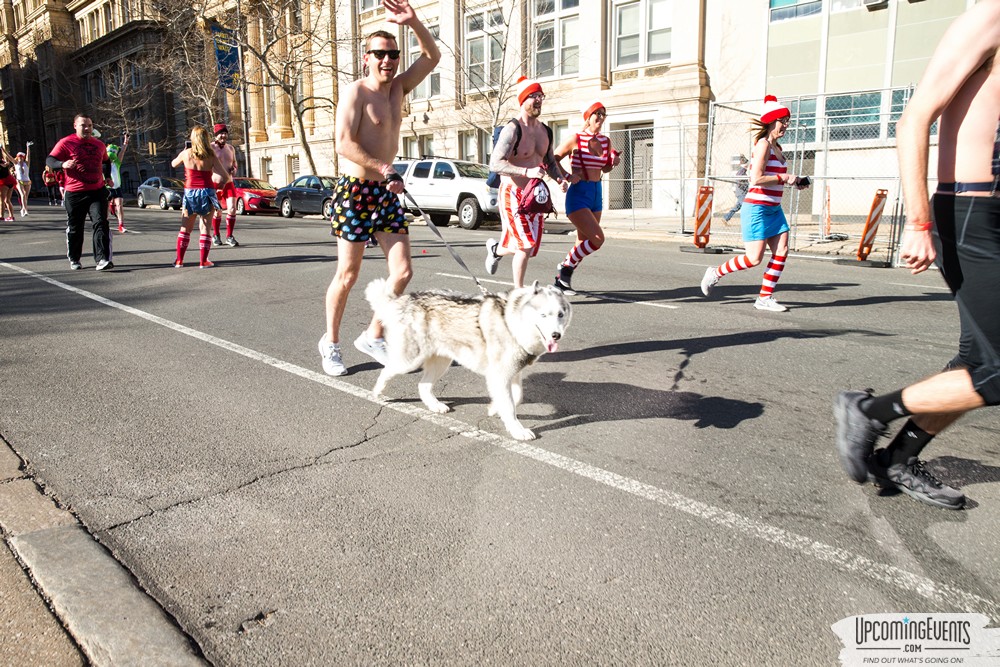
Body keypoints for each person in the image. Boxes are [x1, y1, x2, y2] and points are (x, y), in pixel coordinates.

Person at [834, 0, 1000, 511]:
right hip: (972, 214)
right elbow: (914, 121)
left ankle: (899, 458)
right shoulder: (990, 16)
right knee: (996, 372)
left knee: (976, 363)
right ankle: (868, 410)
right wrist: (920, 223)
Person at [318, 0, 440, 376]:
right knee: (348, 274)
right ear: (366, 58)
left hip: (386, 192)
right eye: (380, 54)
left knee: (402, 272)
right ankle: (331, 343)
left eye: (392, 54)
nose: (388, 61)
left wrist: (413, 20)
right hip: (356, 191)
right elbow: (343, 143)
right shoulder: (356, 92)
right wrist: (383, 166)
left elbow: (432, 56)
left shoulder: (399, 88)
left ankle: (373, 334)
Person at [699, 95, 809, 312]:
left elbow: (774, 179)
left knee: (782, 251)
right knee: (753, 258)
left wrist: (795, 182)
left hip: (774, 209)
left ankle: (764, 298)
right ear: (771, 121)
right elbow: (755, 179)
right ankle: (715, 272)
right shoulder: (763, 145)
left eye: (788, 121)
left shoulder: (778, 148)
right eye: (783, 121)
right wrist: (784, 178)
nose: (786, 125)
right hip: (756, 209)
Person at [485, 76, 569, 288]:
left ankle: (496, 251)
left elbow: (549, 161)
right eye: (533, 96)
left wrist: (560, 179)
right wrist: (526, 171)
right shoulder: (512, 130)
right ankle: (519, 292)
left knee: (530, 249)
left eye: (540, 96)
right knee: (525, 245)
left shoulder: (545, 131)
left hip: (535, 196)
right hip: (512, 193)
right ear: (522, 100)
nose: (538, 100)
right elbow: (495, 163)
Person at [551, 100, 620, 295]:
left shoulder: (606, 141)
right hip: (579, 194)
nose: (600, 117)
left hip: (597, 194)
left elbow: (604, 167)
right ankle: (564, 269)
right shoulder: (576, 138)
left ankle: (562, 282)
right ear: (588, 118)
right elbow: (552, 159)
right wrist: (565, 176)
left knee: (582, 243)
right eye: (596, 114)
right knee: (597, 239)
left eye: (603, 114)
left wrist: (613, 162)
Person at [46, 114, 115, 271]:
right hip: (75, 193)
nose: (87, 128)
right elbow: (50, 160)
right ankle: (75, 258)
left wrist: (108, 177)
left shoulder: (99, 145)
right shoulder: (66, 143)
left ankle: (102, 259)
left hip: (97, 191)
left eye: (90, 126)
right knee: (76, 227)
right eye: (83, 125)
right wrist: (63, 164)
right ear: (75, 126)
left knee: (101, 223)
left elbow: (106, 161)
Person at [170, 126, 230, 269]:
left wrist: (183, 151)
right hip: (208, 192)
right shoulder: (210, 155)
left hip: (190, 193)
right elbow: (226, 176)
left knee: (185, 228)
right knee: (205, 228)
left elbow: (173, 164)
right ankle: (203, 261)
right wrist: (219, 186)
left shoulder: (186, 154)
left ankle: (179, 260)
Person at [209, 123, 239, 247]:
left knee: (232, 209)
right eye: (221, 133)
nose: (223, 136)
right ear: (216, 135)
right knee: (217, 211)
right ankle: (216, 235)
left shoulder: (231, 148)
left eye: (225, 133)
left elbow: (235, 163)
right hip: (215, 184)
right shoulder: (210, 148)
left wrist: (234, 169)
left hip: (229, 183)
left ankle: (229, 236)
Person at [106, 132, 130, 233]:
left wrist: (126, 140)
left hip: (117, 187)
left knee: (120, 205)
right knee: (105, 207)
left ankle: (121, 225)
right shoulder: (103, 163)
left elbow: (123, 151)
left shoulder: (117, 163)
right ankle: (105, 224)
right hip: (107, 187)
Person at [722, 154, 750, 222]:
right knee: (746, 207)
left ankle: (726, 218)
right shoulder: (742, 171)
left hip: (740, 192)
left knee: (737, 207)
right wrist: (745, 186)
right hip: (741, 193)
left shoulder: (742, 171)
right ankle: (747, 221)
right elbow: (740, 179)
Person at [13, 143, 32, 217]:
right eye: (19, 157)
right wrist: (2, 149)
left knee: (25, 197)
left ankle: (22, 209)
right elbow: (9, 156)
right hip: (19, 181)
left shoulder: (26, 163)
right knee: (23, 194)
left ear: (23, 158)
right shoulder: (16, 163)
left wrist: (28, 147)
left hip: (27, 181)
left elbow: (29, 156)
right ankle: (25, 210)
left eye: (22, 157)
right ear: (17, 157)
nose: (20, 158)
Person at [0, 148, 16, 221]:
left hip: (4, 182)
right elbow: (9, 173)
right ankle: (11, 216)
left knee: (2, 200)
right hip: (10, 180)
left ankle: (1, 216)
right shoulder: (4, 162)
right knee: (7, 200)